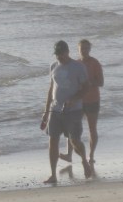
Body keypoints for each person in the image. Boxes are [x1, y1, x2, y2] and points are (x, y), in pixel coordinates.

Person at [40, 40, 93, 184]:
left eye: (61, 54)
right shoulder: (53, 66)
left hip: (73, 111)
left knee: (75, 141)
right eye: (57, 55)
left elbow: (86, 87)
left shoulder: (78, 67)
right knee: (52, 141)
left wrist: (74, 99)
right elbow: (51, 89)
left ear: (67, 52)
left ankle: (84, 161)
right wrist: (46, 112)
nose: (59, 57)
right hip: (55, 110)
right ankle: (53, 174)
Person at [60, 39, 103, 165]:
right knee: (71, 128)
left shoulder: (95, 63)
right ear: (78, 50)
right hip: (78, 100)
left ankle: (91, 155)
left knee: (92, 129)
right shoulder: (75, 64)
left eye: (86, 48)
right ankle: (69, 155)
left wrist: (90, 83)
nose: (84, 51)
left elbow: (101, 82)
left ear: (89, 49)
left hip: (92, 99)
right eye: (81, 48)